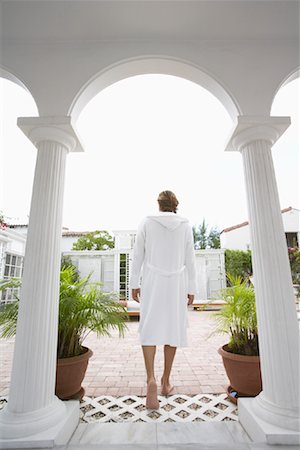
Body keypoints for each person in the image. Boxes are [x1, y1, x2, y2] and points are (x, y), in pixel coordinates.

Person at [130, 190, 196, 409]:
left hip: (152, 281)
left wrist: (134, 284)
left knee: (150, 328)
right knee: (172, 330)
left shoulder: (147, 223)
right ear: (175, 204)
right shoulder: (185, 225)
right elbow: (190, 259)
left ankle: (150, 379)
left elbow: (137, 255)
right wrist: (191, 287)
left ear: (158, 205)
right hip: (176, 283)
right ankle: (165, 382)